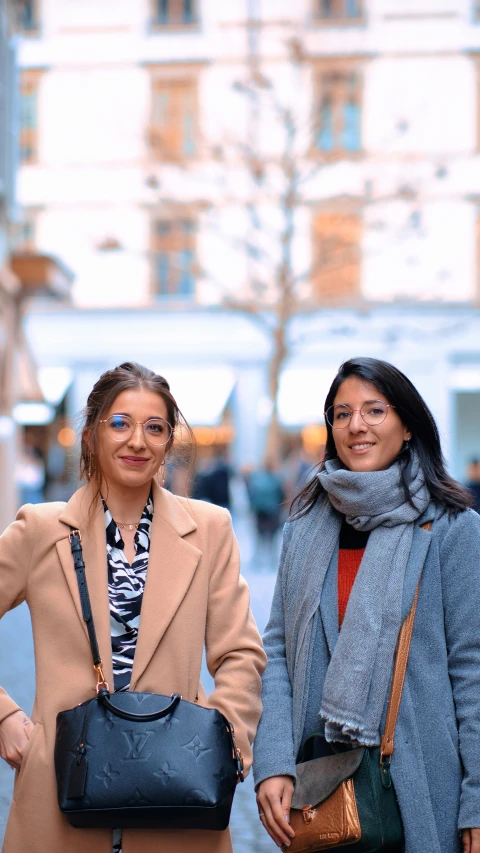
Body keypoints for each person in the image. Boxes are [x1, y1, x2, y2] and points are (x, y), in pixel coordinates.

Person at [0, 362, 266, 853]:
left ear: (169, 441)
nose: (137, 441)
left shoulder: (209, 529)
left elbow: (241, 654)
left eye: (155, 427)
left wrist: (225, 737)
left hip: (179, 794)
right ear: (90, 435)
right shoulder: (41, 529)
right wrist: (4, 718)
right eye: (120, 423)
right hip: (60, 790)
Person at [253, 356, 480, 853]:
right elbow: (277, 652)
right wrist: (272, 760)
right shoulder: (305, 527)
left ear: (406, 426)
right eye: (341, 413)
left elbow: (472, 671)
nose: (356, 425)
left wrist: (476, 801)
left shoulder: (451, 529)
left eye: (374, 411)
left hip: (421, 788)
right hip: (319, 788)